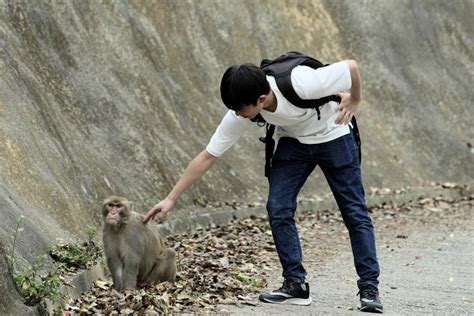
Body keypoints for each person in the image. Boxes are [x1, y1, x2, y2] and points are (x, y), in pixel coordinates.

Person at [143, 57, 383, 313]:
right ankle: (295, 284)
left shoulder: (302, 83)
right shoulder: (243, 104)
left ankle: (369, 287)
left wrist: (355, 99)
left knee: (354, 213)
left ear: (260, 100)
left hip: (334, 134)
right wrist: (170, 199)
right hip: (294, 142)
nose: (236, 114)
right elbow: (208, 155)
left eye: (240, 110)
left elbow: (352, 67)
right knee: (278, 207)